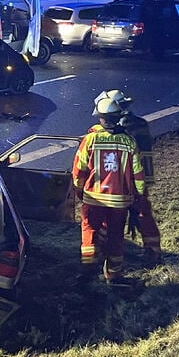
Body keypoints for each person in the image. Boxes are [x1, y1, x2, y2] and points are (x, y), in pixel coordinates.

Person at [72, 96, 146, 287]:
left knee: (89, 233)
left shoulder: (90, 140)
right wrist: (137, 198)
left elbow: (78, 170)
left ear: (100, 118)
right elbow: (138, 175)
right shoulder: (129, 143)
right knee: (115, 236)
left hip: (93, 199)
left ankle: (87, 271)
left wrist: (79, 191)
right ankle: (114, 276)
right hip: (120, 202)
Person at [94, 90, 162, 266]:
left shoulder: (122, 130)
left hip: (125, 179)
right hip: (141, 177)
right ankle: (152, 251)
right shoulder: (139, 123)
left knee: (110, 217)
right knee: (142, 214)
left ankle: (101, 252)